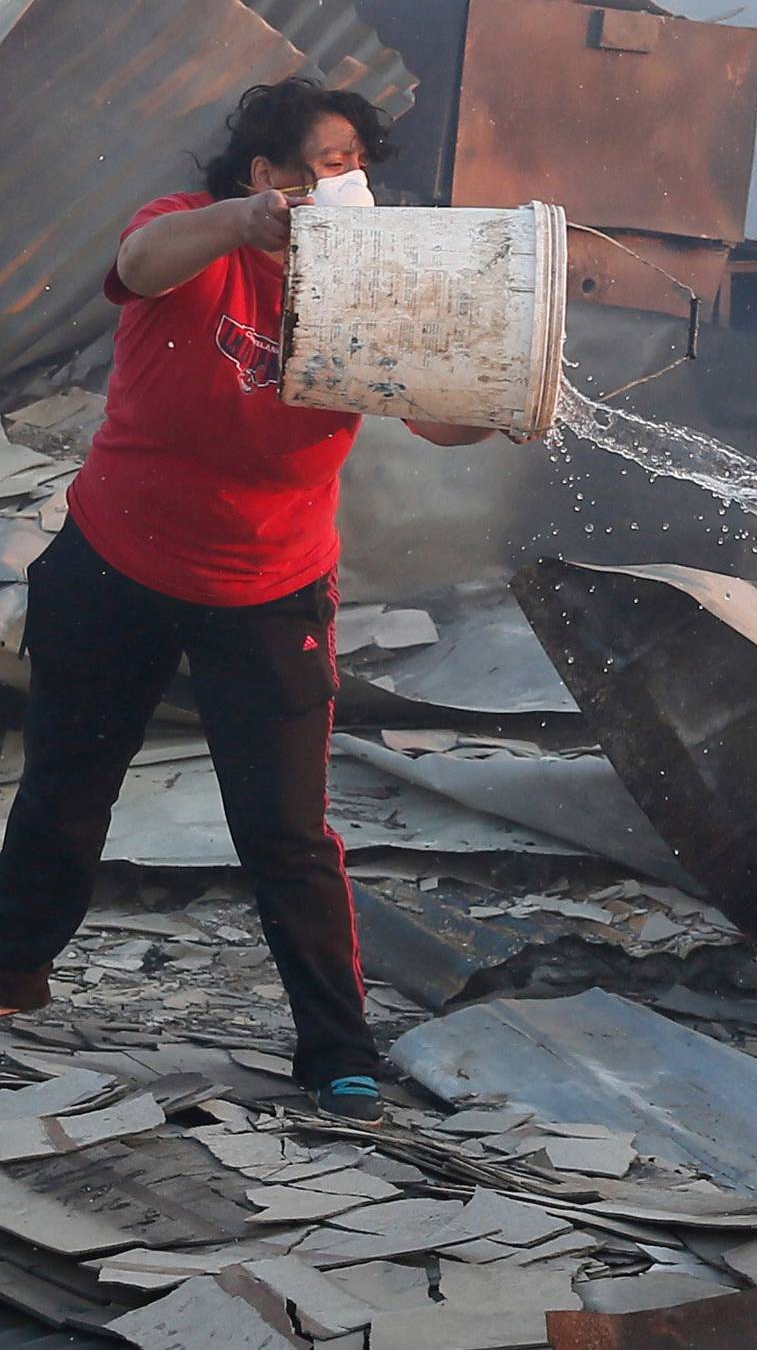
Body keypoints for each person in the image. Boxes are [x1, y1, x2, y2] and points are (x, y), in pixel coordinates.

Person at [0, 76, 494, 1122]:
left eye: (357, 163)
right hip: (115, 563)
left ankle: (337, 1052)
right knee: (66, 795)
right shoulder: (190, 233)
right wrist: (245, 224)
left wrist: (497, 386)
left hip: (269, 588)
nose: (346, 180)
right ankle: (10, 974)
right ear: (265, 174)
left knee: (285, 832)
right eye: (326, 163)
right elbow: (136, 268)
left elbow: (445, 422)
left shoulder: (371, 284)